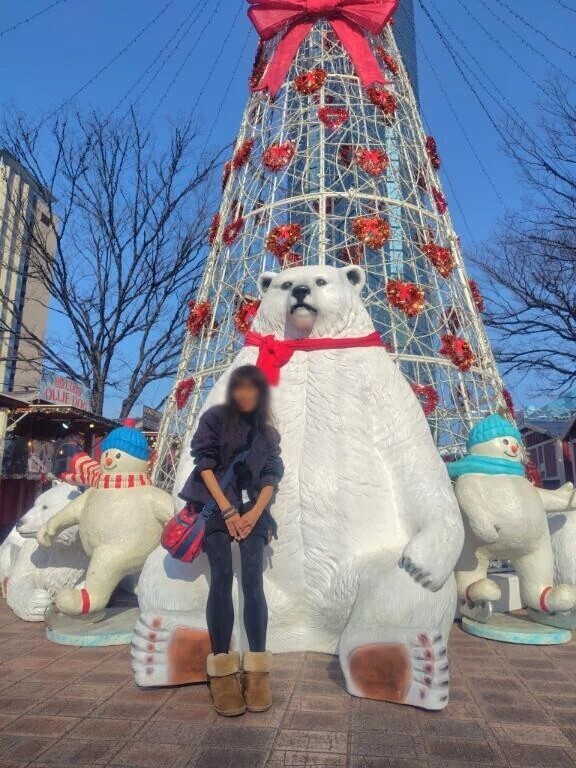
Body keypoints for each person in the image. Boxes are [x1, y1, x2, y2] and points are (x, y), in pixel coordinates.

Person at [180, 365, 284, 717]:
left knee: (253, 583)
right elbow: (204, 465)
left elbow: (272, 474)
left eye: (252, 388)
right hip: (215, 509)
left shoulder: (267, 433)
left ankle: (257, 672)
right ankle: (222, 673)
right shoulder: (215, 419)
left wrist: (254, 514)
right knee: (222, 581)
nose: (245, 393)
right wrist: (228, 511)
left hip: (253, 510)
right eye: (239, 387)